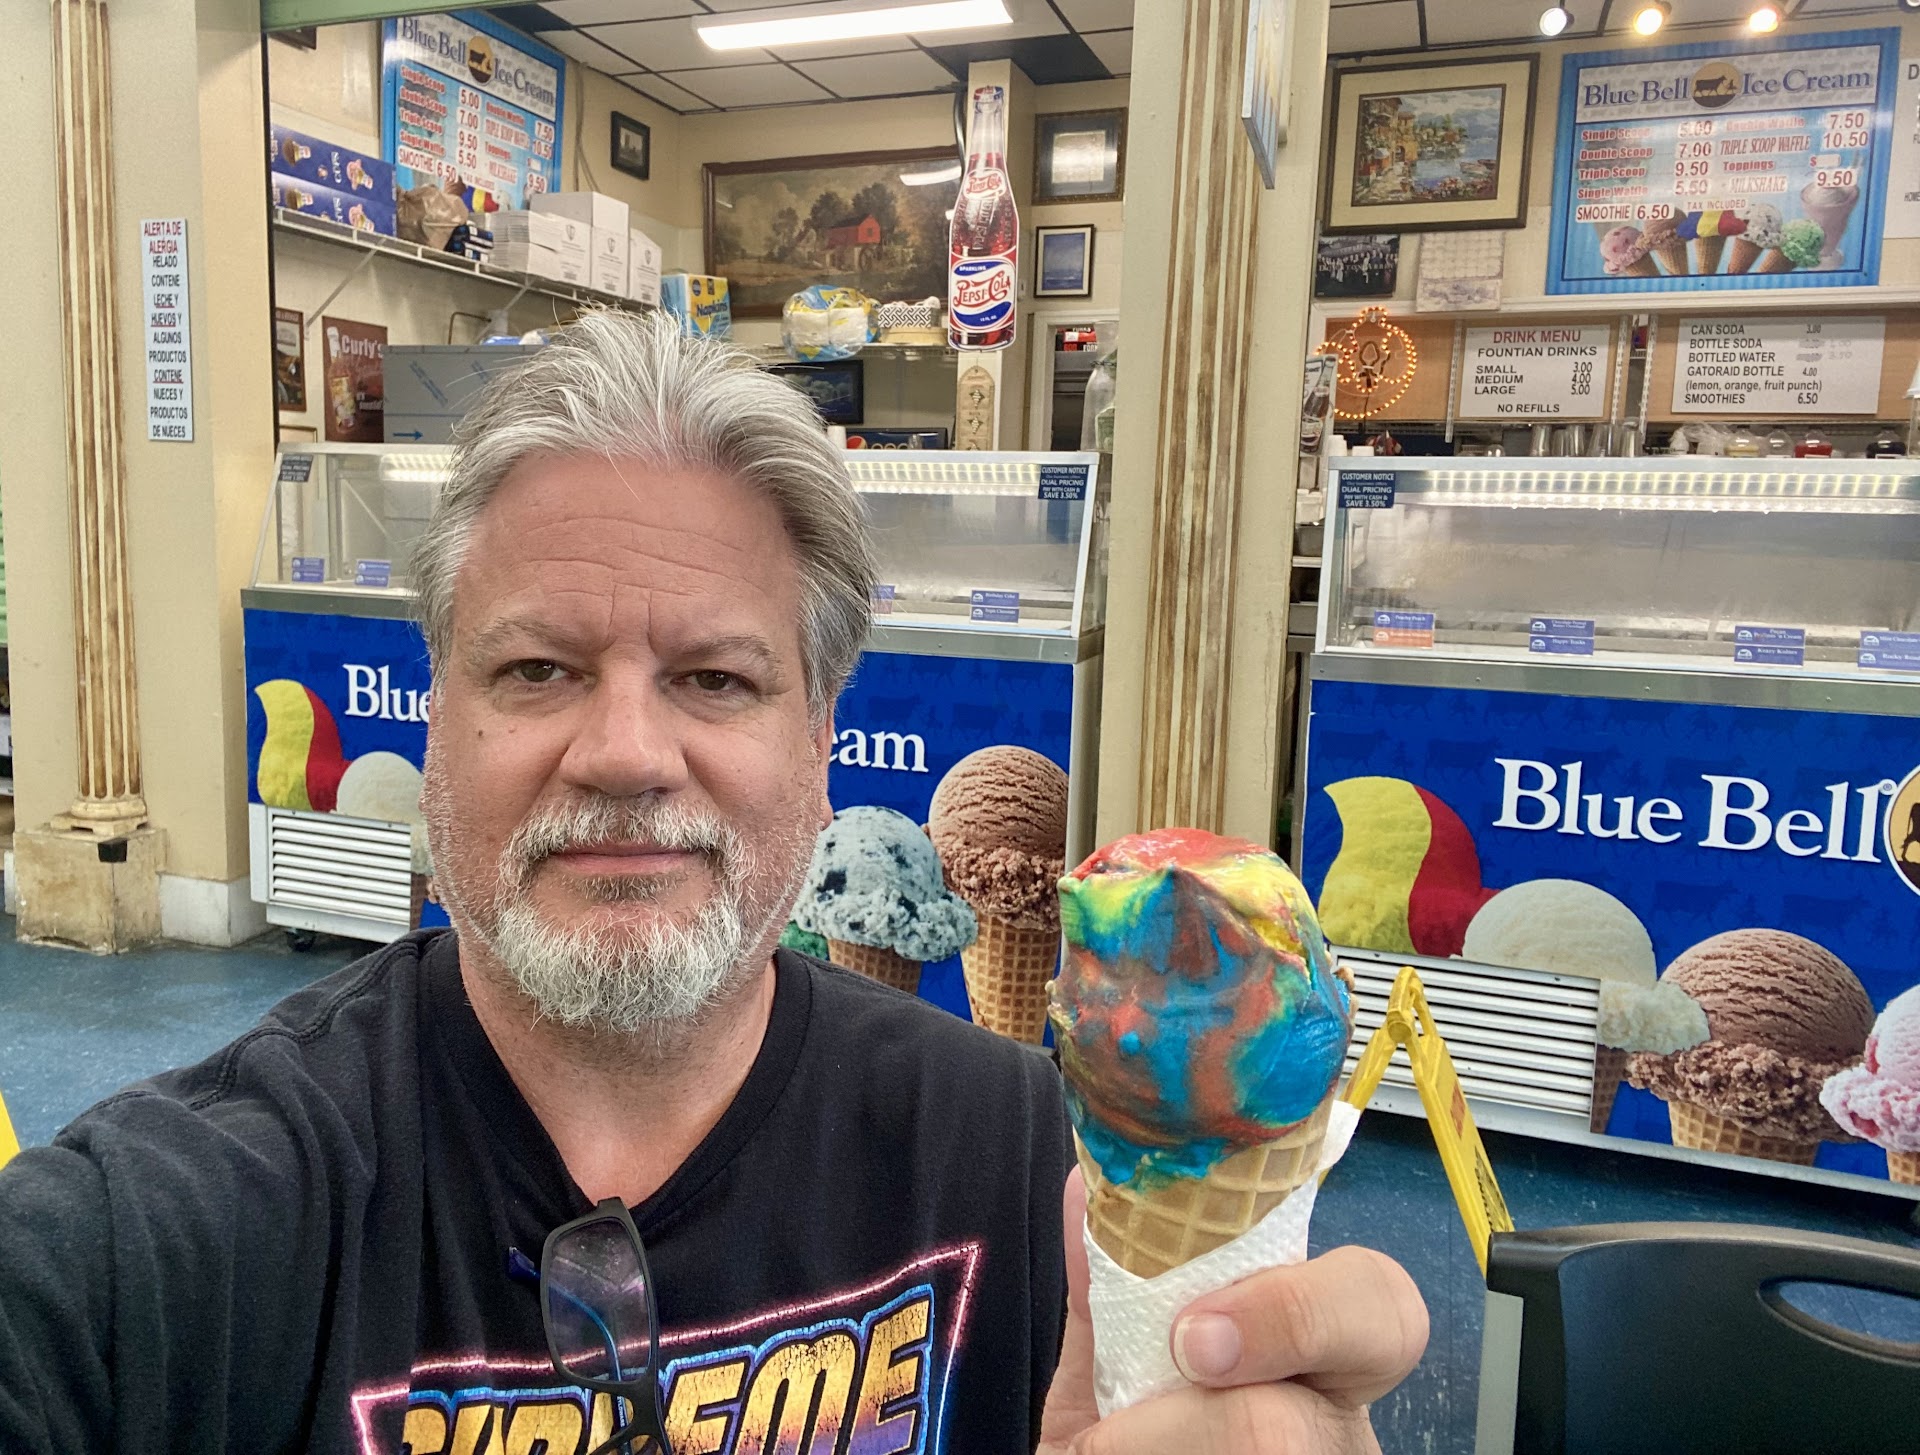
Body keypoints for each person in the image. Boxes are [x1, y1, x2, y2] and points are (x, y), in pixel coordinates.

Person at [0, 312, 1426, 1453]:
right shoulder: (170, 1239)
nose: (626, 753)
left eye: (716, 678)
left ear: (820, 743)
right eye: (537, 669)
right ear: (436, 720)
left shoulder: (1018, 1161)